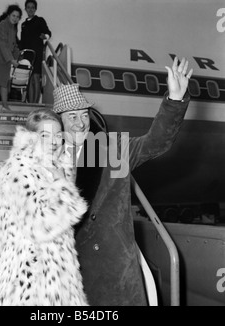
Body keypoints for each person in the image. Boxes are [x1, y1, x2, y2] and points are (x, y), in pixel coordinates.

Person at [52, 57, 193, 306]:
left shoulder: (111, 151)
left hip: (116, 274)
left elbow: (156, 143)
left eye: (84, 114)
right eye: (71, 116)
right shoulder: (47, 164)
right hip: (70, 279)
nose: (80, 122)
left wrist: (174, 100)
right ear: (59, 123)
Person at [0, 108, 89, 306]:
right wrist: (63, 188)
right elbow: (39, 227)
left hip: (57, 282)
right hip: (27, 284)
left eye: (58, 135)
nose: (53, 141)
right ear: (31, 138)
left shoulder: (53, 168)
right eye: (45, 135)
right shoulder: (18, 170)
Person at [18, 0, 52, 103]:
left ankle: (35, 103)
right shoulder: (23, 24)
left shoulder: (40, 20)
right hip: (27, 54)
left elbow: (48, 32)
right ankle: (31, 102)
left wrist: (45, 36)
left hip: (36, 53)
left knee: (36, 77)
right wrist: (20, 54)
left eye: (32, 7)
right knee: (30, 79)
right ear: (25, 9)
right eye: (28, 7)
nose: (30, 9)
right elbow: (22, 41)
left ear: (35, 9)